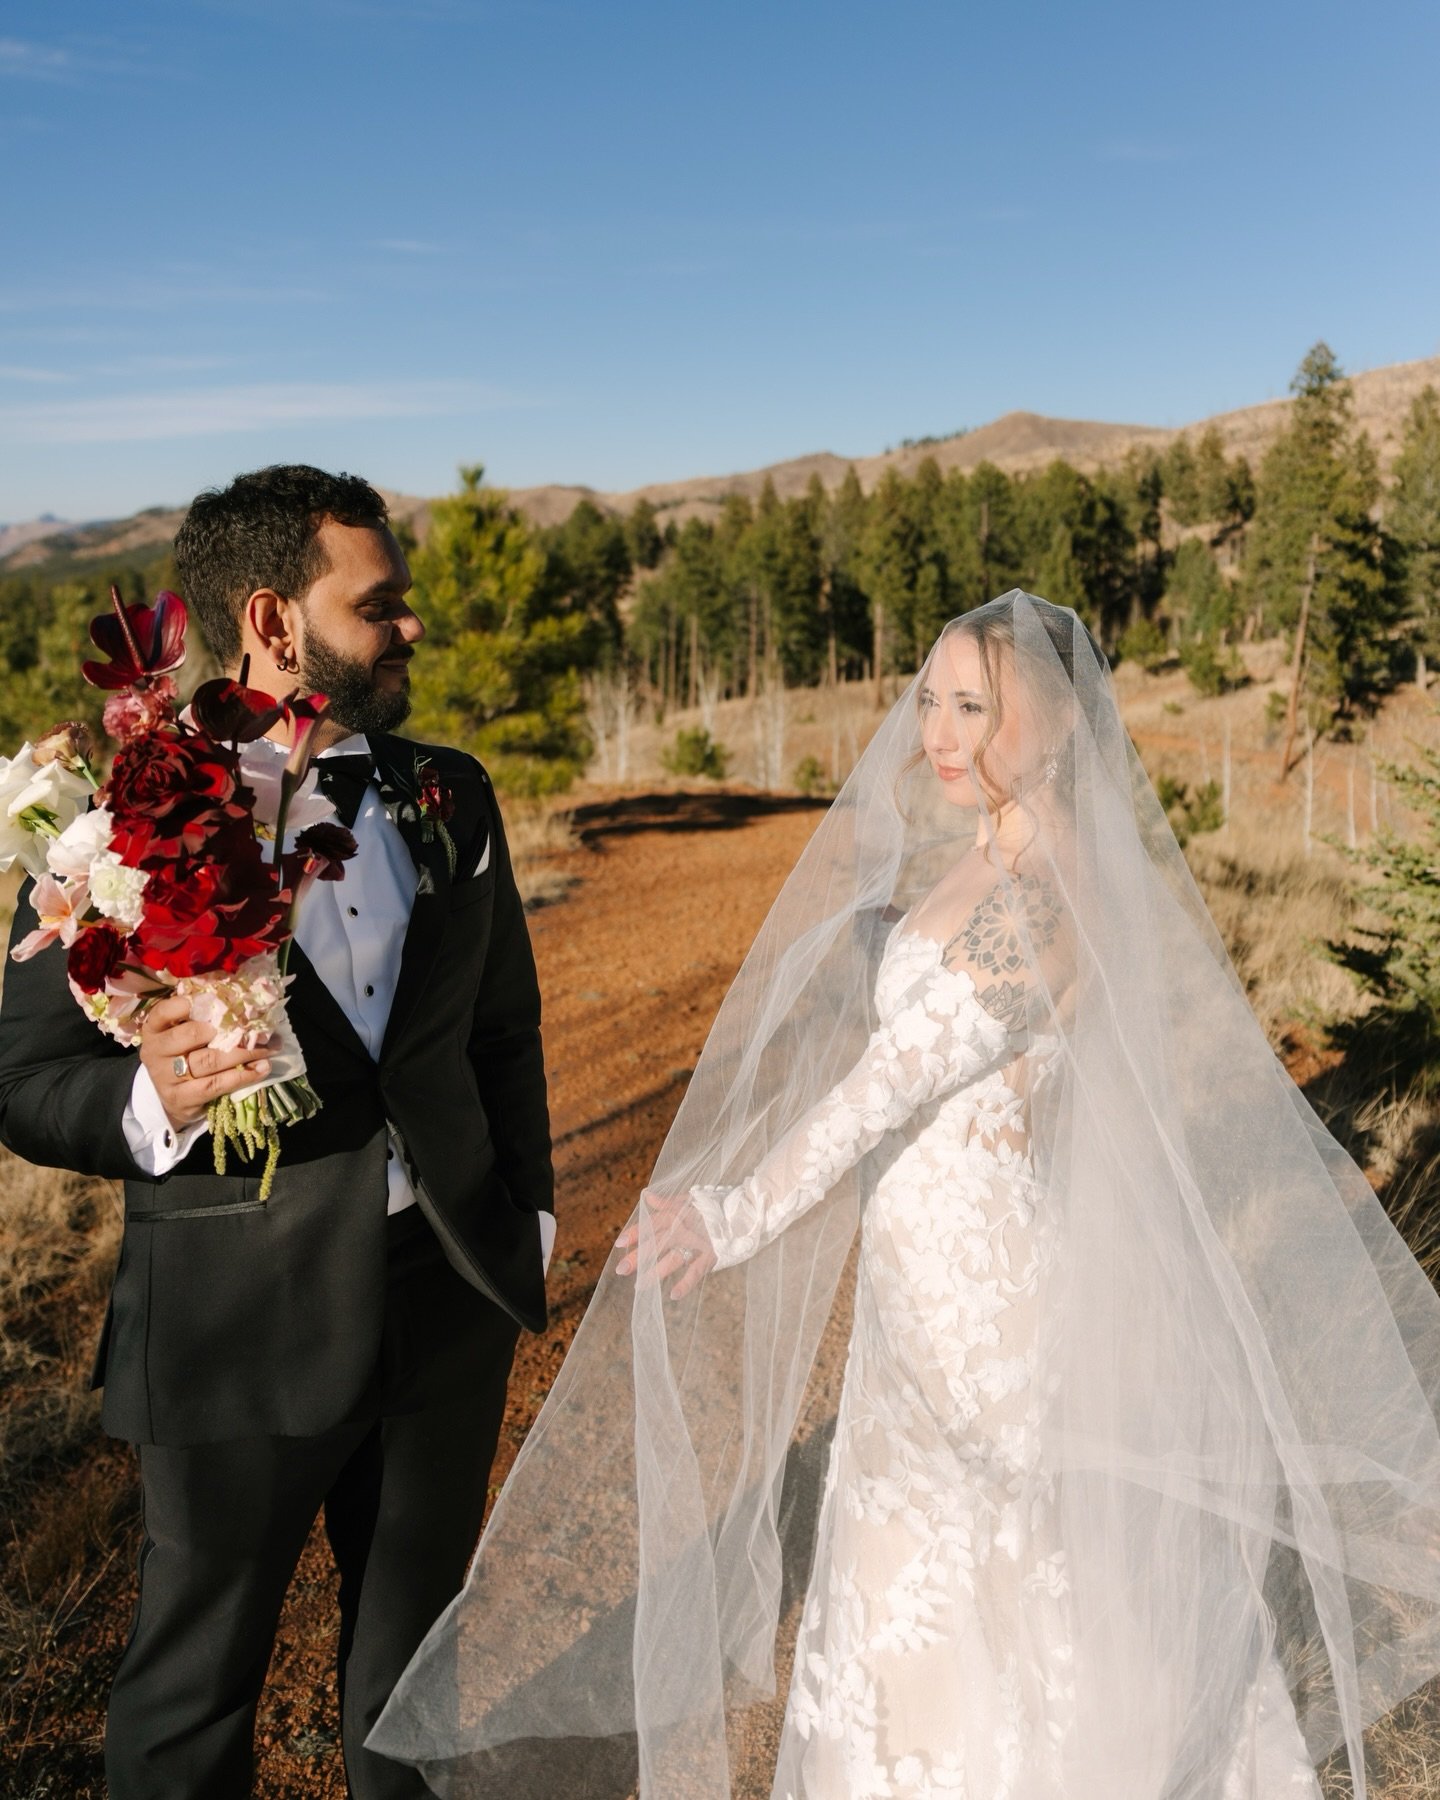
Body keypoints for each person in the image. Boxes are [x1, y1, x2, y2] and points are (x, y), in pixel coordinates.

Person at [371, 592, 1440, 1799]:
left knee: (995, 1570)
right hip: (918, 1279)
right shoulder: (992, 849)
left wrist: (732, 1215)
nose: (935, 728)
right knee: (908, 1568)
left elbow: (887, 1086)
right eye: (929, 697)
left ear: (1058, 722)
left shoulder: (1048, 890)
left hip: (989, 1302)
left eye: (974, 706)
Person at [0, 464, 555, 1800]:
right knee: (193, 1695)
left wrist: (522, 1211)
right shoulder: (115, 819)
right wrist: (153, 1103)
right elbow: (21, 1071)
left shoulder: (452, 795)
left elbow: (502, 1029)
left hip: (445, 1293)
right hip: (232, 1316)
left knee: (416, 1679)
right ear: (273, 618)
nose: (411, 628)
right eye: (382, 606)